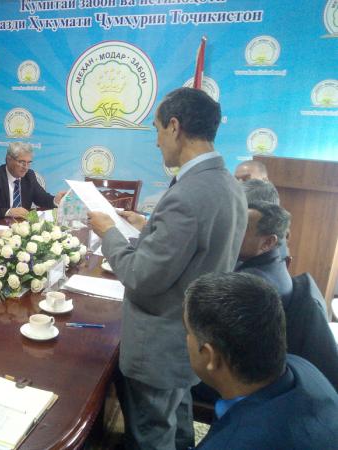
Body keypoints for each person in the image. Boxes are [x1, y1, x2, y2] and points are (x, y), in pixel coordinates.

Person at [88, 87, 247, 450]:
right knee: (176, 424)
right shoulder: (226, 182)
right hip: (189, 337)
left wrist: (109, 232)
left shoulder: (189, 194)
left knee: (150, 434)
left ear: (174, 126)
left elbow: (140, 276)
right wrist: (149, 226)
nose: (157, 142)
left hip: (161, 345)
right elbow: (198, 245)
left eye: (158, 130)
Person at [184, 272, 338, 449]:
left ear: (210, 356)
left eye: (188, 331)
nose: (185, 338)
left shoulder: (233, 444)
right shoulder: (303, 368)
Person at [236, 201, 338, 391]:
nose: (232, 231)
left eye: (241, 227)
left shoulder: (251, 285)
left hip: (254, 383)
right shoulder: (275, 266)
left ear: (268, 242)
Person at [0, 142, 66, 219]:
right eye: (22, 162)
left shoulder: (29, 175)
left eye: (28, 163)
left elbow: (41, 197)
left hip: (23, 223)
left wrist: (55, 200)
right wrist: (8, 212)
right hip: (1, 224)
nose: (26, 167)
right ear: (9, 159)